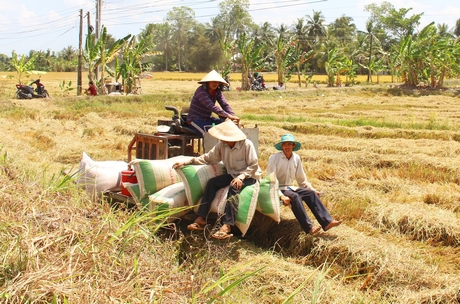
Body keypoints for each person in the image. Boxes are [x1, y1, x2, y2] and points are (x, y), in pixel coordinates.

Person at [172, 120, 261, 240]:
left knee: (234, 187)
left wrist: (241, 177)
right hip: (232, 174)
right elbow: (208, 158)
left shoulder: (246, 145)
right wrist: (187, 162)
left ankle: (228, 224)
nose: (221, 139)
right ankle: (201, 218)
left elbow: (253, 165)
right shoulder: (221, 145)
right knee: (212, 183)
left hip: (249, 176)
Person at [267, 134, 342, 235]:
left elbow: (302, 180)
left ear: (294, 146)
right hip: (278, 188)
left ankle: (327, 222)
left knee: (311, 194)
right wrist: (281, 196)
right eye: (285, 144)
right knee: (295, 196)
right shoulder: (274, 158)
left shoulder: (296, 158)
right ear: (281, 146)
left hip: (290, 187)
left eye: (289, 144)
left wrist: (312, 189)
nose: (287, 147)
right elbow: (271, 180)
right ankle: (309, 227)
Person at [186, 70, 239, 136]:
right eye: (212, 81)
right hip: (195, 119)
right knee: (209, 134)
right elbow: (212, 107)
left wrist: (233, 116)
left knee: (227, 127)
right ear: (207, 82)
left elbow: (224, 104)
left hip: (208, 118)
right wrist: (228, 115)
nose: (215, 84)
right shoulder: (201, 91)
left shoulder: (217, 92)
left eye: (217, 82)